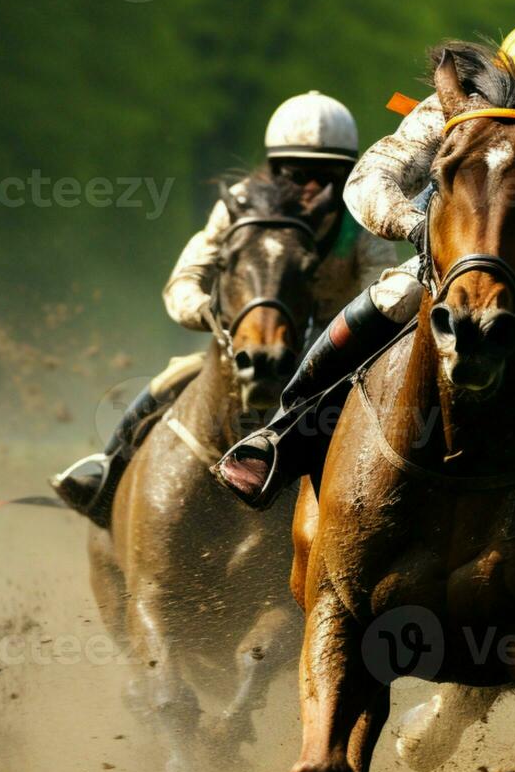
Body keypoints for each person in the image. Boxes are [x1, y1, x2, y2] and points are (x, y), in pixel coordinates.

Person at [216, 17, 515, 570]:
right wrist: (415, 226)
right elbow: (369, 179)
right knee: (394, 296)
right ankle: (283, 432)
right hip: (462, 252)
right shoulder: (457, 106)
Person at [50, 91, 399, 525]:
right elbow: (184, 281)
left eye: (325, 173)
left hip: (333, 348)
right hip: (248, 340)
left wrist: (333, 338)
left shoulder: (362, 218)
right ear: (274, 169)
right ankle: (106, 472)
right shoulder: (240, 205)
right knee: (172, 378)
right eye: (296, 172)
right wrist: (216, 318)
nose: (310, 187)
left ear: (347, 173)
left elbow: (380, 288)